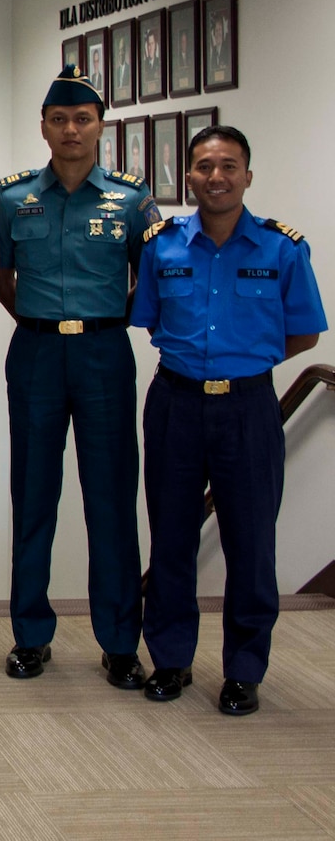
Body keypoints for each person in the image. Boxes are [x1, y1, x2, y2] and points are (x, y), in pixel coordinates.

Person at [132, 125, 325, 716]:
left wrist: (244, 363)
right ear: (187, 175)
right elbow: (147, 318)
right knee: (171, 537)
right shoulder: (161, 244)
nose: (216, 177)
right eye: (204, 167)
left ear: (247, 174)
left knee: (250, 542)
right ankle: (171, 659)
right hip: (176, 403)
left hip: (248, 408)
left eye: (228, 166)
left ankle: (244, 670)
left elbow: (304, 331)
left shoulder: (281, 248)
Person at [0, 65, 159, 689]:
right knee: (33, 495)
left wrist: (101, 321)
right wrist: (39, 319)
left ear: (100, 126)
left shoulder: (131, 199)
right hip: (34, 354)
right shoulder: (12, 199)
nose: (70, 130)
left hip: (104, 354)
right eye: (58, 119)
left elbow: (153, 277)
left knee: (112, 498)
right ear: (43, 126)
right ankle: (31, 636)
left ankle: (120, 641)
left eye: (82, 119)